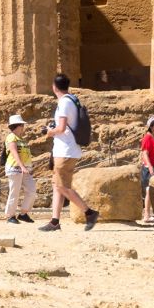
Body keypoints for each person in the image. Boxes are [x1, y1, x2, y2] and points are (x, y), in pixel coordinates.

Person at [39, 73, 99, 232]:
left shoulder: (64, 103)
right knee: (57, 186)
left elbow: (61, 128)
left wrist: (49, 132)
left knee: (63, 187)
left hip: (66, 150)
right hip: (66, 150)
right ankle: (54, 221)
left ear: (54, 87)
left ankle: (89, 212)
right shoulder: (72, 99)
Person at [3, 113, 36, 225]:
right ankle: (10, 216)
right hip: (14, 168)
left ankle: (23, 213)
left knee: (31, 190)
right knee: (14, 192)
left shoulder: (21, 138)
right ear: (18, 125)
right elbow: (14, 152)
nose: (23, 127)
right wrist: (22, 166)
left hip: (25, 169)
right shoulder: (11, 137)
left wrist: (28, 167)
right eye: (22, 125)